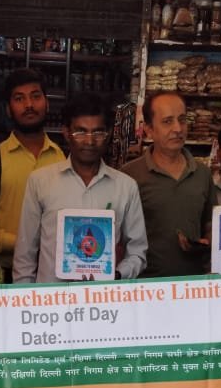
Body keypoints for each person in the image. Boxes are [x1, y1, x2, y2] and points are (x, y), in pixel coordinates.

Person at [13, 93, 147, 283]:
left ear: (108, 133)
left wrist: (116, 274)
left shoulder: (126, 187)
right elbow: (25, 254)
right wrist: (25, 302)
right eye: (80, 132)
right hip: (51, 305)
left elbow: (138, 252)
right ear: (66, 133)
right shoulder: (41, 181)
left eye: (98, 132)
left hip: (101, 305)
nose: (90, 141)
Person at [120, 91, 216, 277]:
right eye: (167, 121)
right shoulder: (130, 175)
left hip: (193, 286)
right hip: (145, 287)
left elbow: (210, 225)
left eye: (182, 120)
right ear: (148, 129)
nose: (178, 129)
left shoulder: (202, 173)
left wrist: (205, 243)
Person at [0, 68, 66, 282]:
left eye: (36, 96)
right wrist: (28, 243)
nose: (29, 105)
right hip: (4, 276)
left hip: (53, 276)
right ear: (9, 109)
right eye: (19, 98)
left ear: (47, 103)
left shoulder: (64, 158)